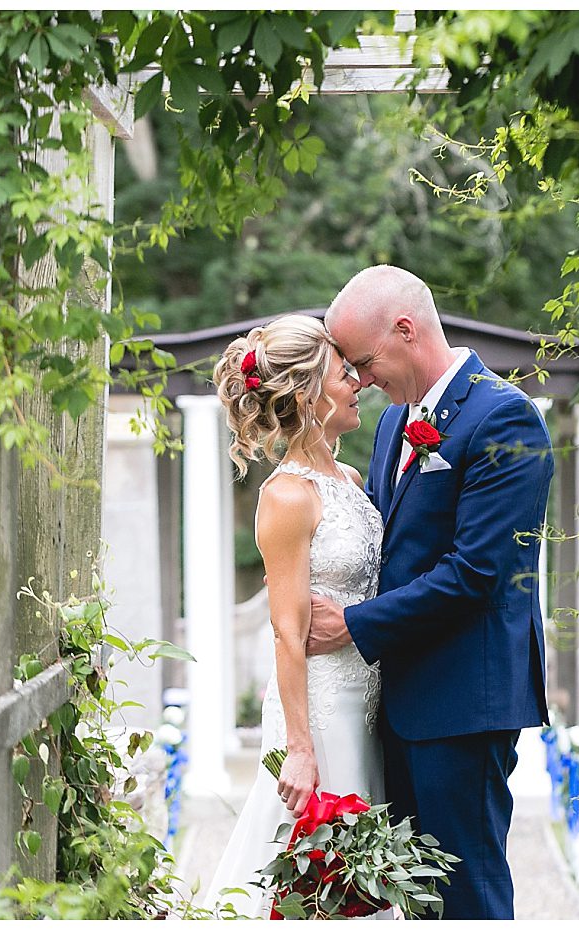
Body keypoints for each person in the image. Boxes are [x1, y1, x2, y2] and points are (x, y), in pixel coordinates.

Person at [309, 264, 555, 919]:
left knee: (466, 897)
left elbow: (475, 574)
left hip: (463, 706)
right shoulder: (393, 425)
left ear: (406, 331)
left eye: (362, 361)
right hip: (401, 702)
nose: (358, 380)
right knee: (415, 903)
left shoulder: (505, 419)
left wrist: (354, 625)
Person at [195, 314, 386, 917]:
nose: (359, 383)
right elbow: (286, 628)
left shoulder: (350, 480)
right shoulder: (286, 496)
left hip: (368, 703)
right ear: (308, 395)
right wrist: (299, 747)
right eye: (343, 374)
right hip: (319, 715)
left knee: (362, 876)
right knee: (313, 882)